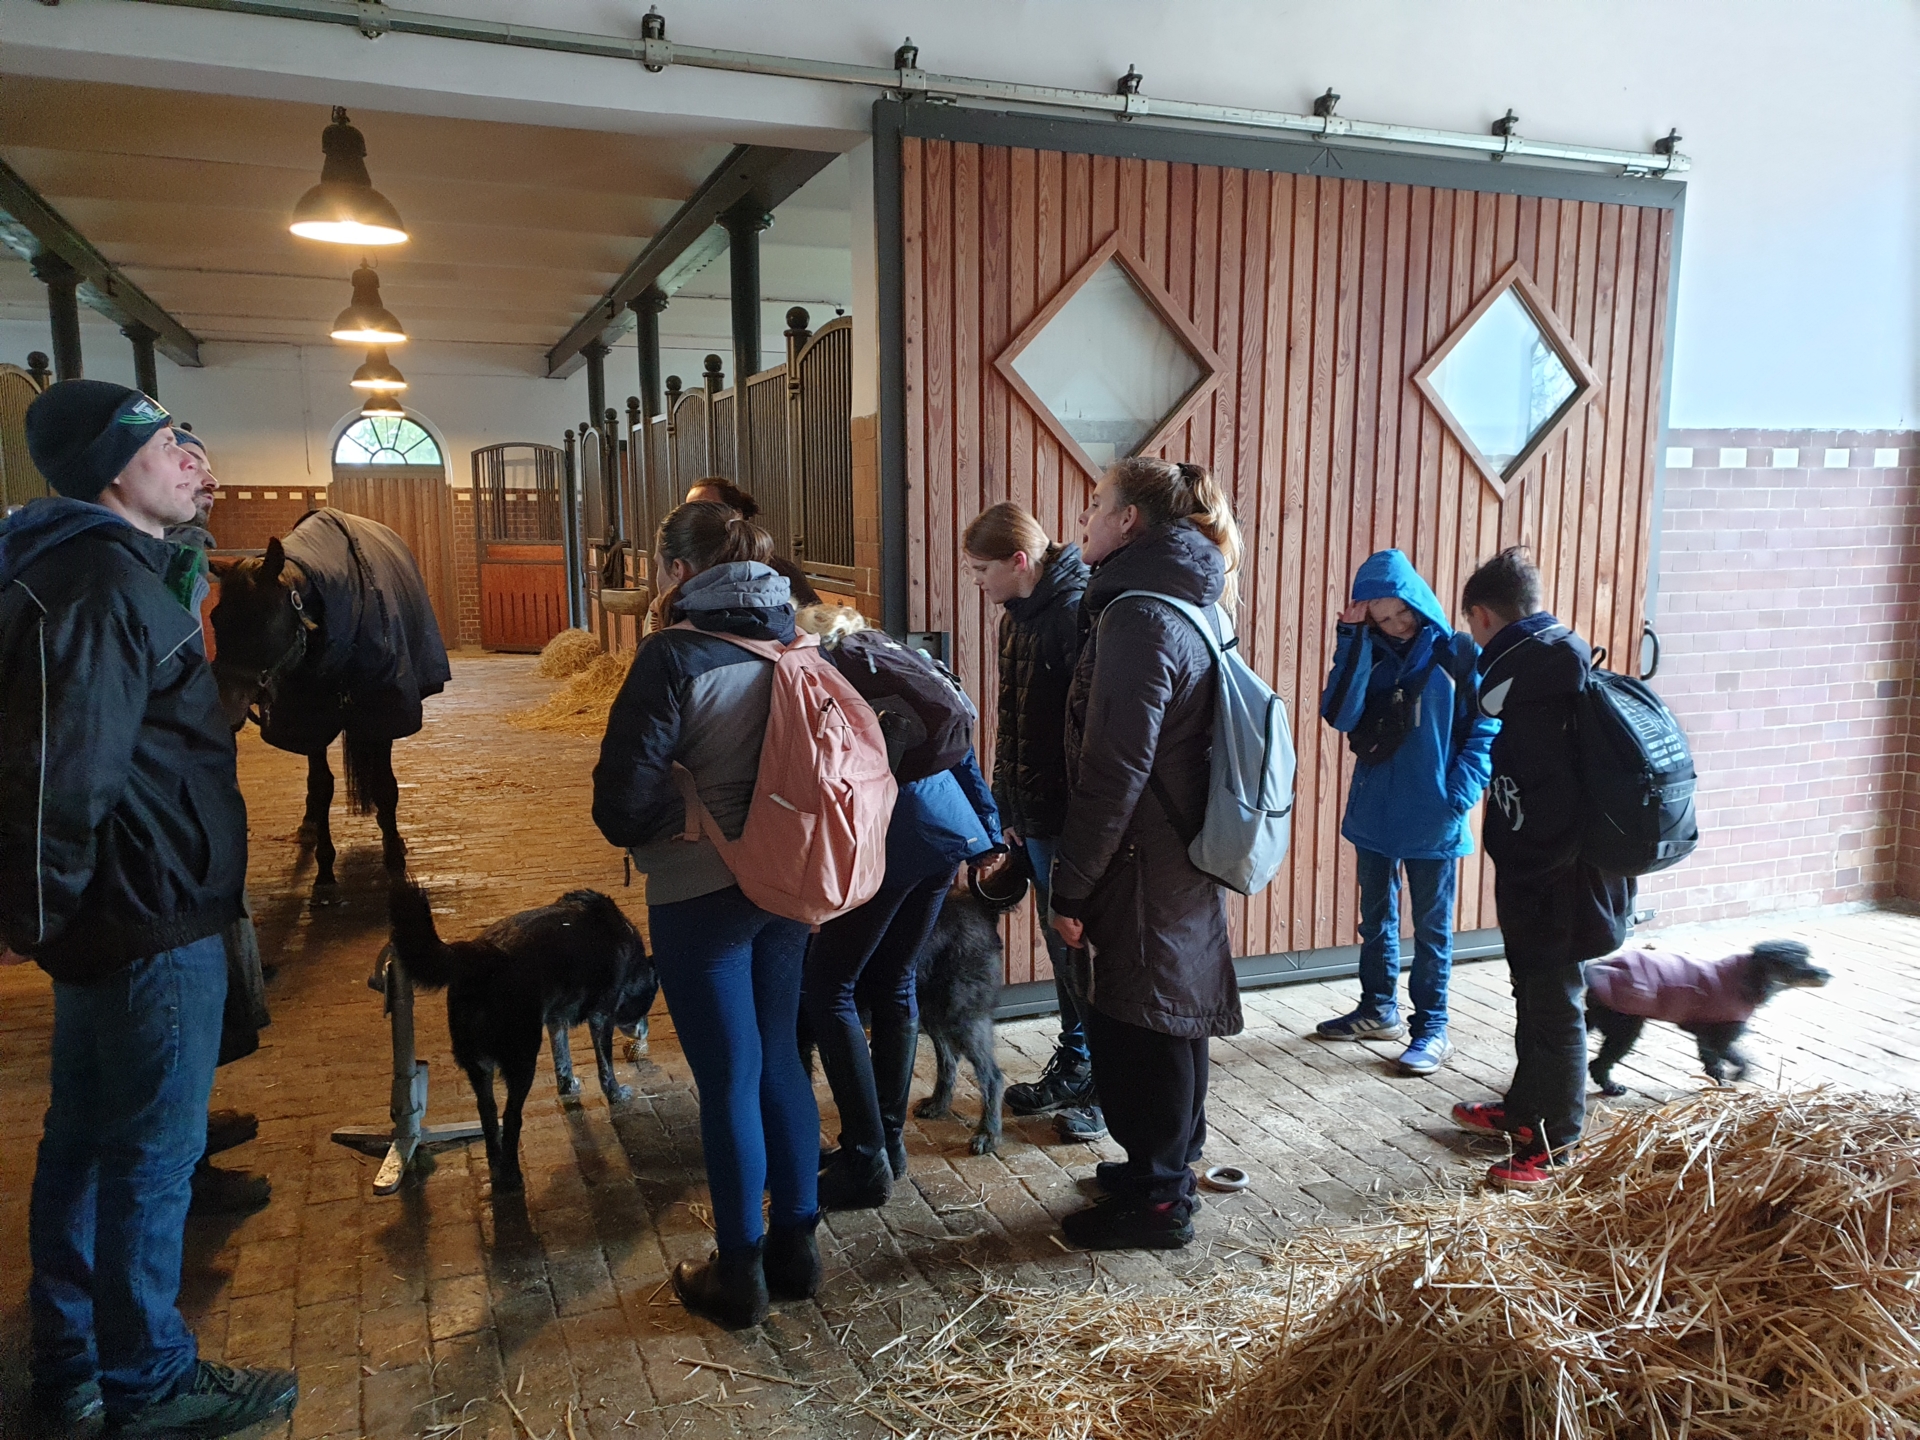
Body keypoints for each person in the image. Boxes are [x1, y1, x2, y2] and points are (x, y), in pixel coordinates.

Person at [0, 380, 298, 1438]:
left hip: (137, 902)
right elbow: (63, 770)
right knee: (149, 1159)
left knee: (86, 1139)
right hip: (146, 911)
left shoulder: (113, 572)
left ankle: (74, 1356)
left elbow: (148, 741)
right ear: (112, 467)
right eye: (169, 442)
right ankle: (149, 1382)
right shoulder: (94, 584)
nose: (194, 458)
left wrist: (247, 668)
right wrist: (56, 913)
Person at [592, 500, 821, 1329]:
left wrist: (674, 822)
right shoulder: (797, 640)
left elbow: (621, 804)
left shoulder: (672, 656)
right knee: (782, 1060)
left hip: (701, 892)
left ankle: (740, 1274)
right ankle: (798, 1248)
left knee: (727, 1076)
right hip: (788, 884)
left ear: (679, 573)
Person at [1048, 457, 1243, 1251]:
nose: (1083, 521)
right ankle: (1162, 1167)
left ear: (1130, 522)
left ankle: (1161, 1202)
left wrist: (1070, 884)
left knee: (1145, 1020)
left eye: (1096, 506)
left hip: (1138, 860)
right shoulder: (1189, 599)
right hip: (1174, 853)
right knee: (1171, 1010)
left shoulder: (1139, 617)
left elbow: (1113, 770)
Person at [797, 604, 1004, 1209]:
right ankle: (888, 1144)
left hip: (891, 840)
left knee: (828, 986)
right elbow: (961, 750)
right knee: (894, 981)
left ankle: (864, 1156)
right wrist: (985, 834)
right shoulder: (905, 661)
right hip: (946, 833)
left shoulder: (822, 676)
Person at [1451, 547, 1635, 1189]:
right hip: (1558, 871)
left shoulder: (1528, 671)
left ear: (1481, 615)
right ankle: (1524, 1111)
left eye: (1471, 625)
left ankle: (1553, 1143)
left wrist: (1531, 868)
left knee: (1555, 1001)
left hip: (1557, 876)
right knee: (1535, 990)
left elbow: (1541, 791)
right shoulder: (1555, 657)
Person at [1315, 550, 1498, 1075]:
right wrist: (1349, 641)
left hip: (1434, 813)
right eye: (1382, 617)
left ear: (1419, 602)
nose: (1396, 626)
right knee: (1376, 919)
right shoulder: (1367, 651)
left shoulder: (1456, 653)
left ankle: (1432, 1028)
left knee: (1433, 931)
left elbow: (1485, 728)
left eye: (1403, 613)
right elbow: (1340, 713)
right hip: (1375, 809)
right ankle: (1378, 1009)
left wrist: (1458, 792)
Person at [960, 503, 1101, 1139]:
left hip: (1071, 821)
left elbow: (1086, 735)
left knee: (1086, 952)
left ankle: (1104, 1080)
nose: (977, 582)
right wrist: (1004, 809)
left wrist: (1066, 819)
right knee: (1061, 948)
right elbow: (1011, 719)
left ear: (1020, 561)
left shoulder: (1076, 613)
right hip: (1034, 817)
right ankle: (1076, 1060)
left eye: (983, 569)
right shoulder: (1016, 618)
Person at [168, 426, 276, 1217]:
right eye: (178, 454)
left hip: (193, 840)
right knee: (160, 1026)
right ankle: (173, 1165)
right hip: (157, 860)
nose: (205, 474)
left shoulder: (176, 578)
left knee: (200, 1006)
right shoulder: (118, 592)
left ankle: (187, 1135)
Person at [683, 477, 820, 606]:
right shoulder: (684, 566)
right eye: (690, 510)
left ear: (737, 515)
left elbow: (816, 619)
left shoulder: (777, 569)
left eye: (707, 509)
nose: (696, 518)